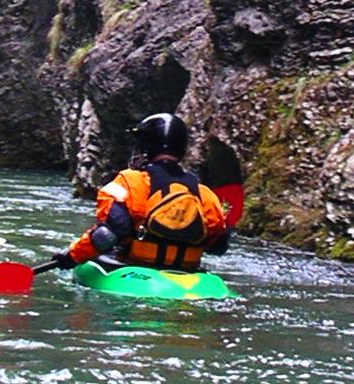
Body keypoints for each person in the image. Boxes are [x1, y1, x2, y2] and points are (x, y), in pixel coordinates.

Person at [55, 112, 231, 271]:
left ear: (148, 146)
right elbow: (218, 246)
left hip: (136, 269)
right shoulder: (205, 194)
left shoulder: (129, 181)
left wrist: (71, 257)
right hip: (187, 274)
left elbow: (107, 235)